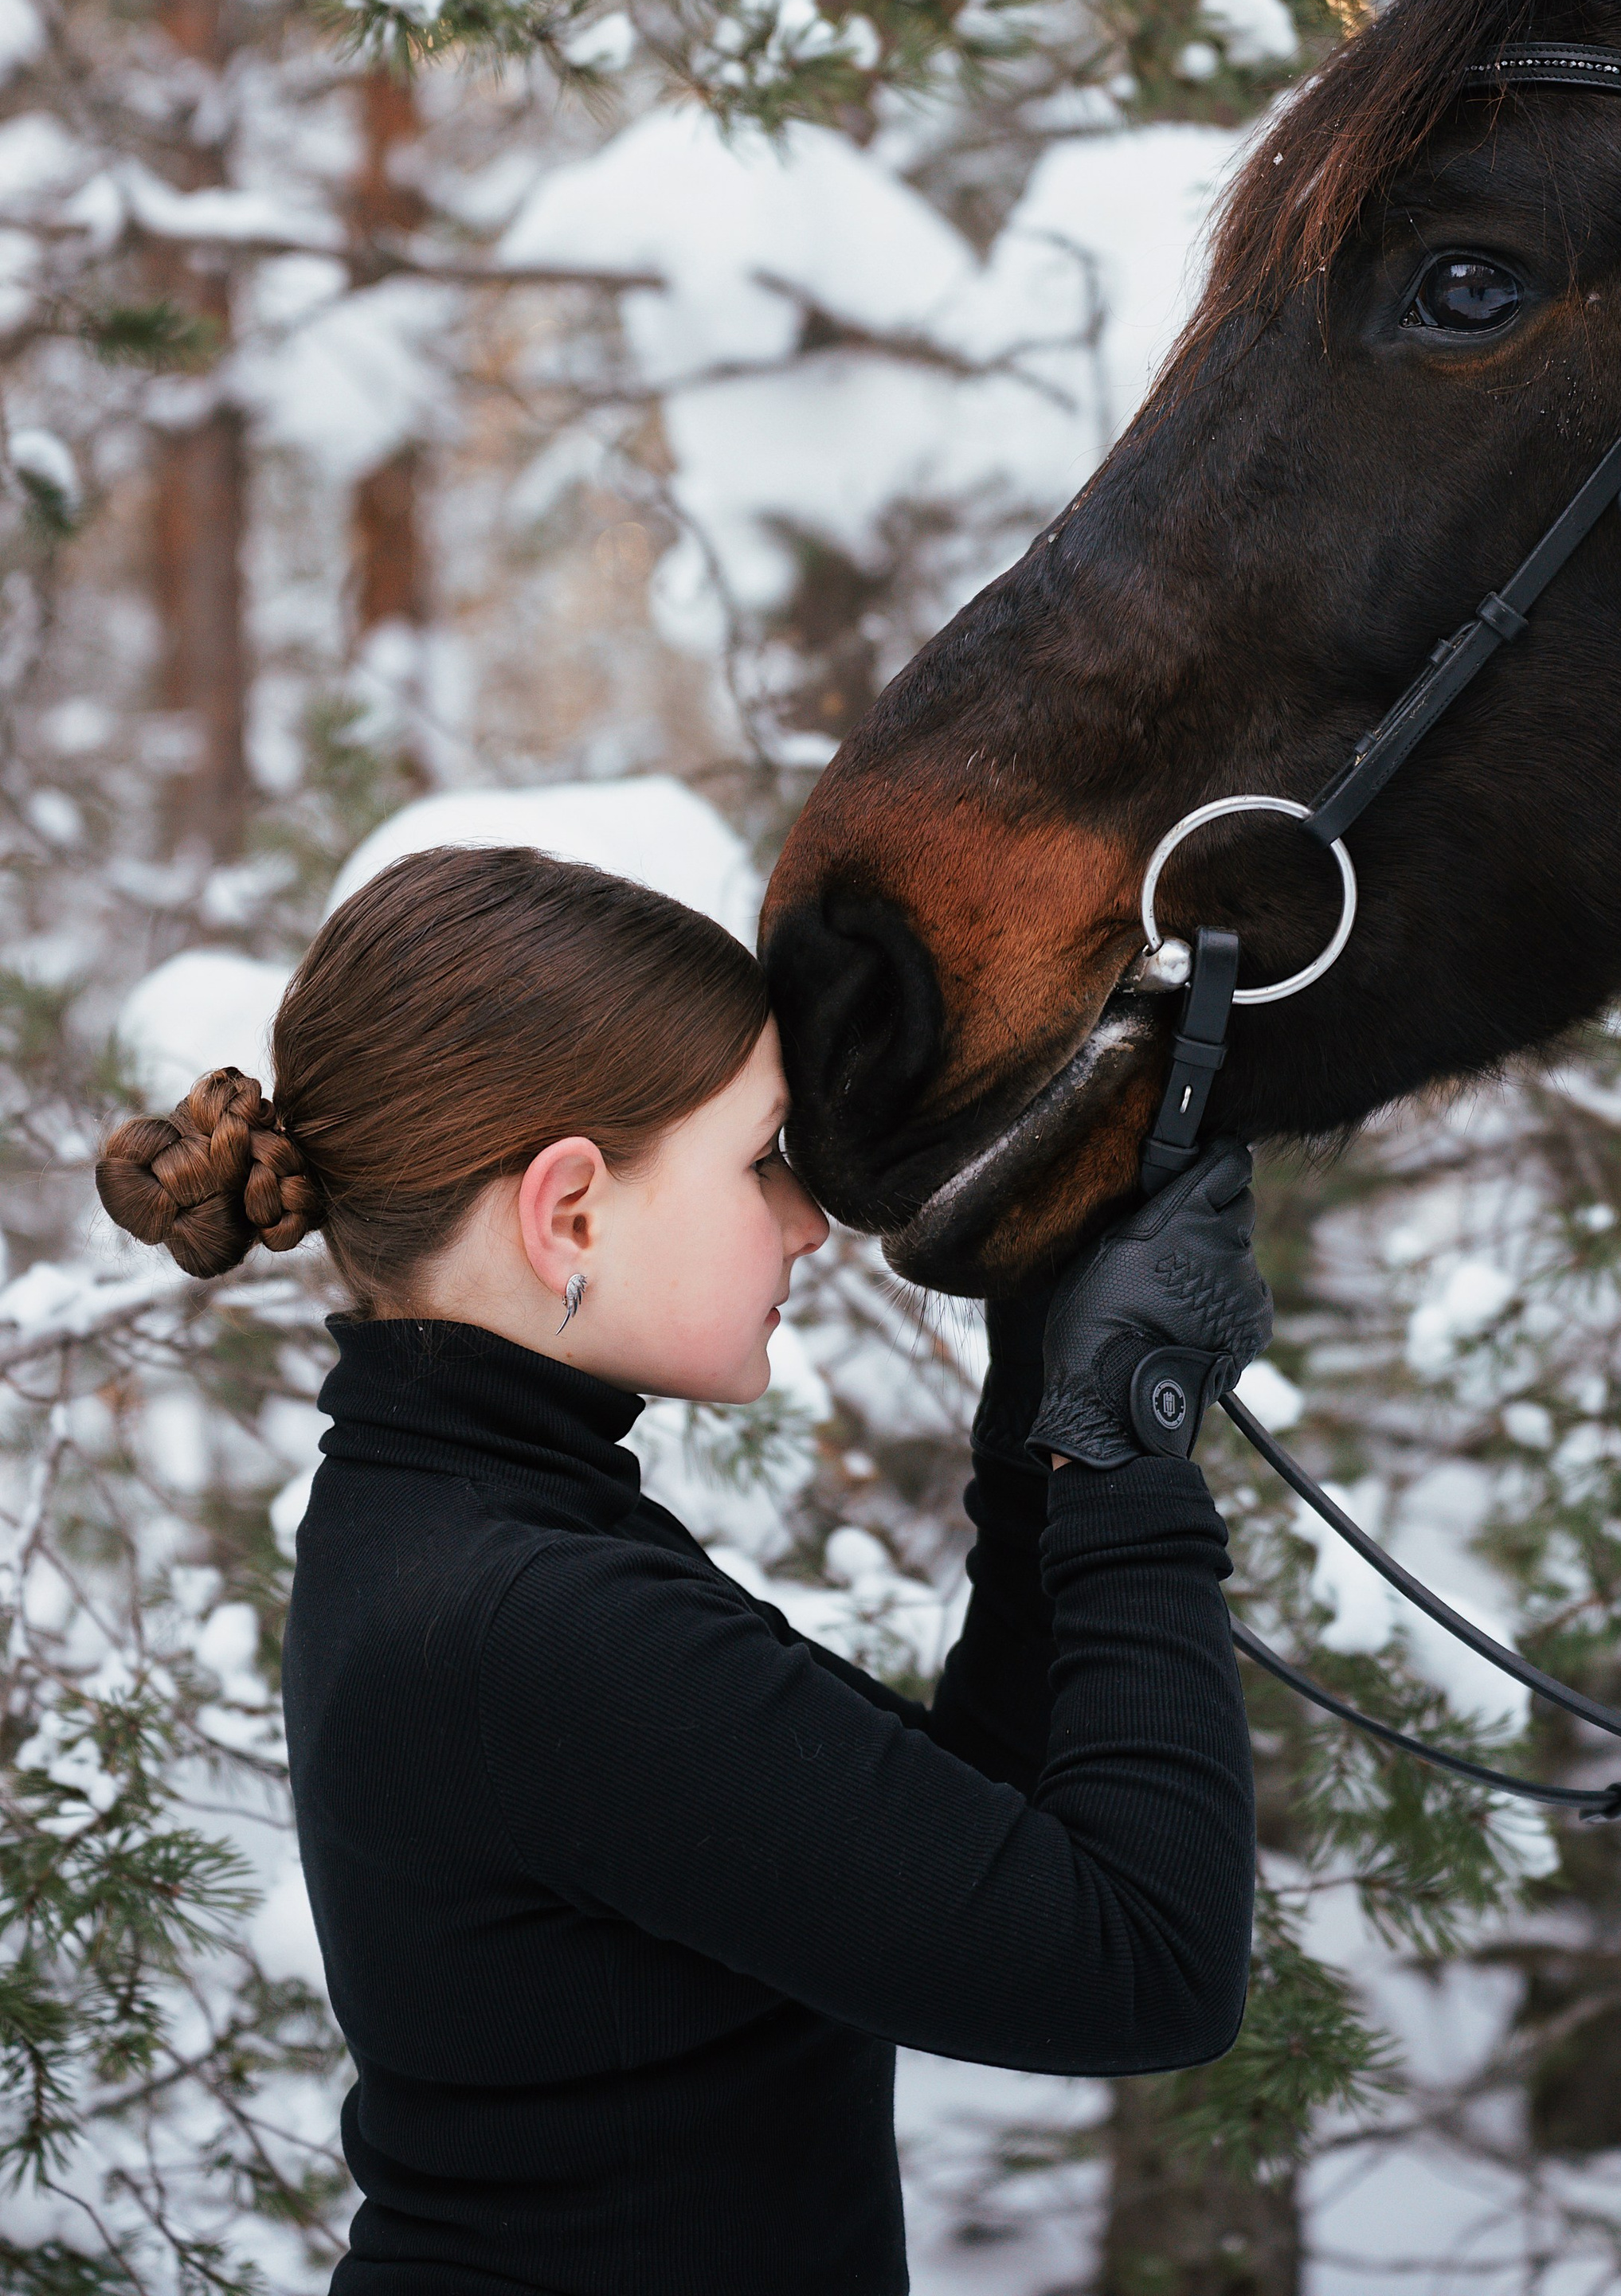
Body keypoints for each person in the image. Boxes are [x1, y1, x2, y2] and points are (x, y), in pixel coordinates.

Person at [96, 842, 1272, 2295]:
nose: (807, 1221)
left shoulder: (455, 1524)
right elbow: (1143, 1964)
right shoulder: (524, 1617)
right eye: (762, 1158)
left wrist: (1050, 1359)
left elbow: (979, 1835)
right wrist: (1124, 1442)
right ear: (568, 1209)